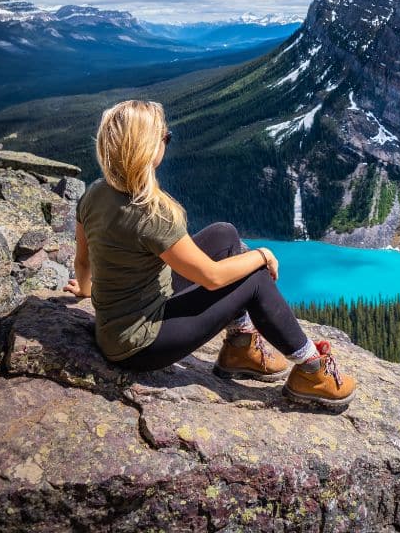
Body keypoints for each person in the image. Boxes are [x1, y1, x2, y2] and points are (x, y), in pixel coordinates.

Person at [63, 99, 356, 408]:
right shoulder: (152, 213)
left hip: (122, 324)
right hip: (140, 346)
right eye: (165, 136)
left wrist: (85, 289)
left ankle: (240, 348)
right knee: (253, 278)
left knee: (224, 234)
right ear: (148, 147)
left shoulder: (95, 192)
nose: (167, 140)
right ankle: (311, 370)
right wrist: (263, 255)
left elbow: (83, 259)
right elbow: (212, 277)